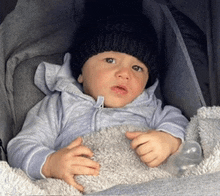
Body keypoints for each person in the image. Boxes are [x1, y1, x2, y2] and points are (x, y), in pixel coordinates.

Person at [7, 14, 188, 192]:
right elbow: (20, 146)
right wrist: (50, 163)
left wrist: (168, 140)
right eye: (110, 60)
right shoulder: (60, 105)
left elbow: (180, 123)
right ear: (81, 73)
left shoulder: (151, 107)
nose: (125, 74)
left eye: (137, 68)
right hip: (83, 186)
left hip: (142, 185)